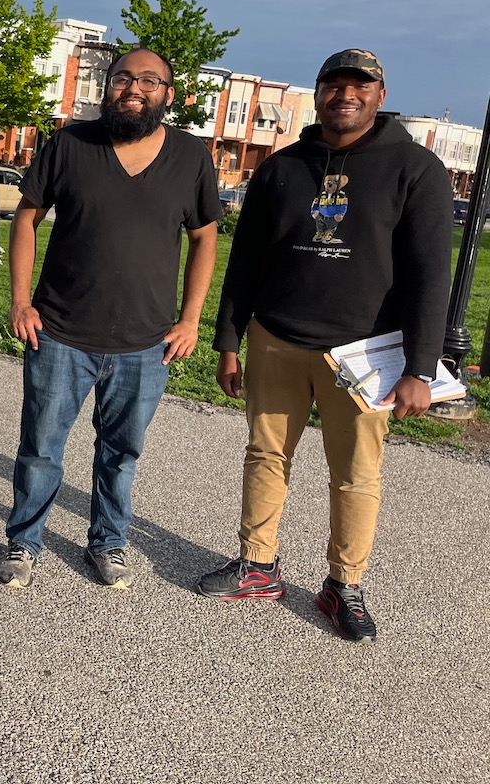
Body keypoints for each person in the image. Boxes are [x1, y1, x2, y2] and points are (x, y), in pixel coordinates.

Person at [198, 49, 452, 642]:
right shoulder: (281, 169)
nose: (345, 95)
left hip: (365, 354)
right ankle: (258, 566)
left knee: (356, 473)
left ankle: (344, 585)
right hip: (276, 337)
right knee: (266, 455)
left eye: (359, 86)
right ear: (317, 94)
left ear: (380, 95)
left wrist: (420, 367)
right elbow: (245, 262)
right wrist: (229, 340)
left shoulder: (416, 169)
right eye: (333, 85)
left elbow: (430, 275)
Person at [0, 48, 221, 590]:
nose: (133, 89)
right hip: (60, 334)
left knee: (121, 454)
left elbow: (204, 238)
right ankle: (25, 542)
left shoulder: (190, 156)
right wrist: (21, 300)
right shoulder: (69, 144)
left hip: (146, 343)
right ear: (108, 85)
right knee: (41, 449)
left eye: (149, 80)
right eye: (122, 78)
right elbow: (26, 219)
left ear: (169, 93)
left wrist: (191, 319)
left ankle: (108, 543)